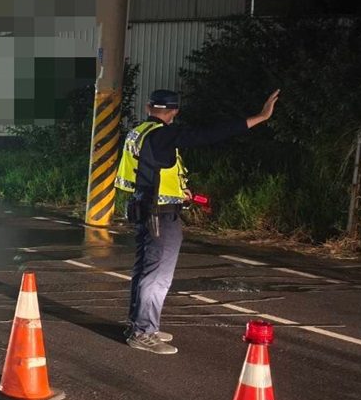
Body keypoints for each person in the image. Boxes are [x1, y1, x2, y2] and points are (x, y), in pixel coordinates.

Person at [115, 88, 280, 355]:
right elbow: (210, 134)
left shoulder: (140, 131)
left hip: (146, 206)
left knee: (145, 271)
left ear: (148, 108)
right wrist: (259, 117)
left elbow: (148, 170)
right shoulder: (164, 134)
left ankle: (139, 325)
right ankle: (143, 332)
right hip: (160, 213)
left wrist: (180, 192)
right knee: (157, 276)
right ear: (174, 111)